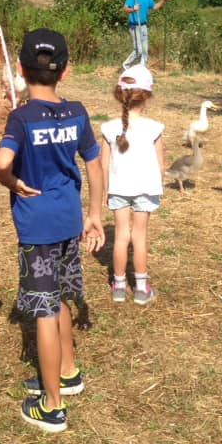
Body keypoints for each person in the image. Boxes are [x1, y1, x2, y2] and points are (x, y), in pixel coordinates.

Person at [0, 29, 104, 433]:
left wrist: (10, 181)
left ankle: (52, 405)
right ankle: (68, 373)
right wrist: (95, 213)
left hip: (37, 227)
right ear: (66, 70)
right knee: (57, 296)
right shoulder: (78, 111)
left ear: (21, 69)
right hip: (69, 221)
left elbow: (1, 161)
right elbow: (94, 162)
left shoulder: (21, 118)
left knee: (42, 308)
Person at [100, 64, 164, 306]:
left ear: (120, 95)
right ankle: (141, 288)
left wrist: (106, 190)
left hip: (117, 189)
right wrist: (157, 185)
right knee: (140, 236)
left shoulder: (108, 128)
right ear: (146, 96)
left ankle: (118, 286)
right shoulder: (154, 128)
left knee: (120, 237)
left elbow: (104, 165)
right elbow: (160, 165)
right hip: (145, 190)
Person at [122, 0, 170, 69]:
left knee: (144, 52)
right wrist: (133, 9)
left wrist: (164, 0)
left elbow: (155, 7)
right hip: (134, 26)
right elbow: (125, 8)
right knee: (138, 51)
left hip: (143, 26)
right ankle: (125, 67)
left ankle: (142, 70)